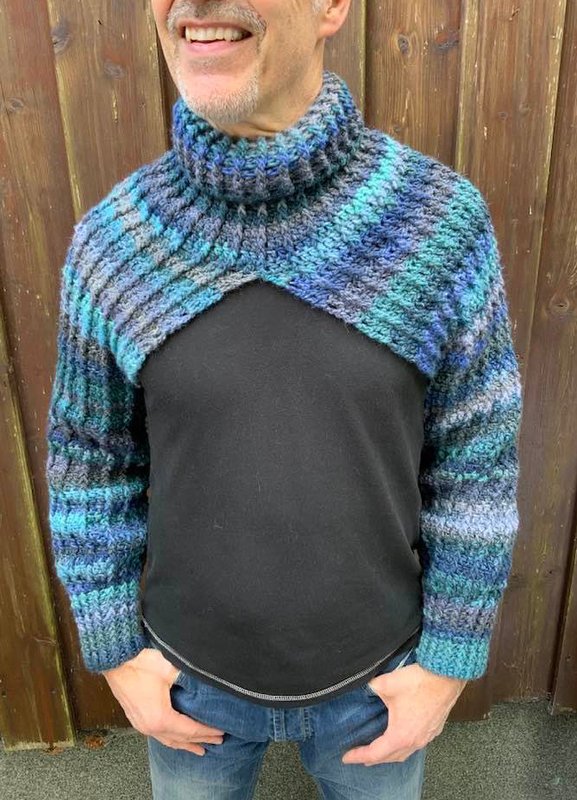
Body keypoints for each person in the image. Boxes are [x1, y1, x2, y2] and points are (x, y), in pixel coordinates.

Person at [44, 1, 523, 798]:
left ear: (331, 7)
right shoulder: (117, 244)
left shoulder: (433, 224)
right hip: (186, 679)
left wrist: (447, 663)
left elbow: (477, 456)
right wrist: (117, 653)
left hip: (378, 680)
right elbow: (89, 460)